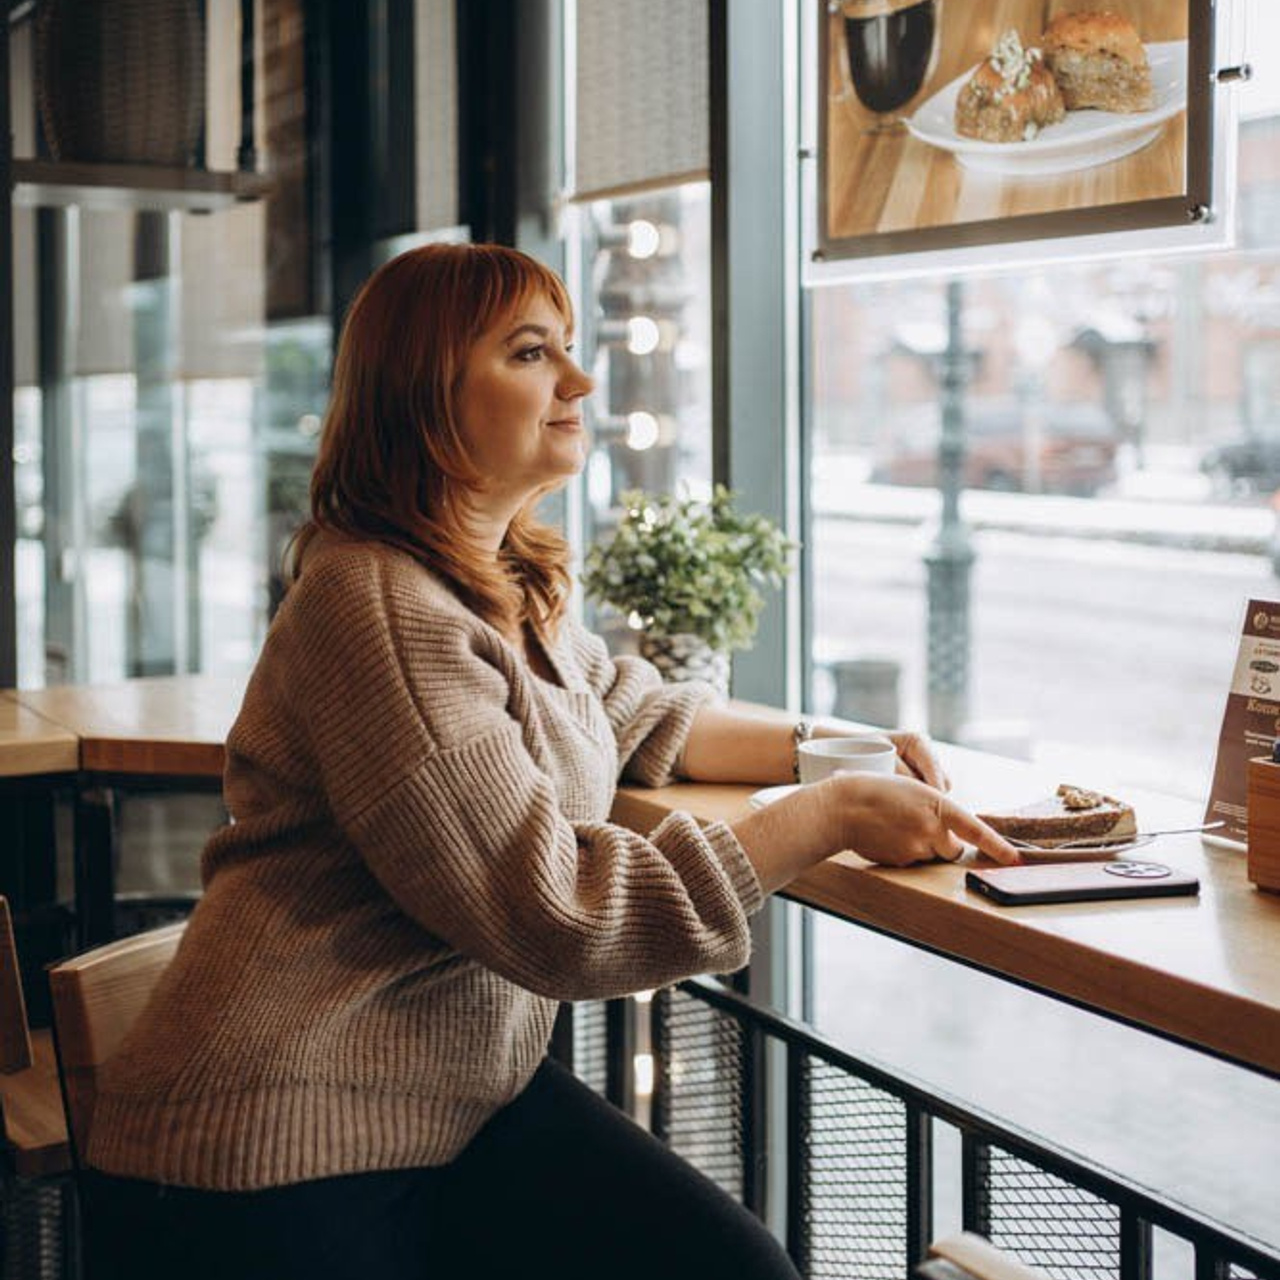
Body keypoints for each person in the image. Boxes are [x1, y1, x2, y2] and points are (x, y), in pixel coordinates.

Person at [83, 243, 1016, 1280]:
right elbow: (557, 913)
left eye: (569, 350)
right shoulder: (379, 604)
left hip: (448, 1096)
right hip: (275, 1144)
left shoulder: (494, 582)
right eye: (532, 353)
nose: (577, 381)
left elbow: (624, 709)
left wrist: (826, 744)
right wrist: (826, 814)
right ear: (423, 398)